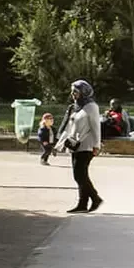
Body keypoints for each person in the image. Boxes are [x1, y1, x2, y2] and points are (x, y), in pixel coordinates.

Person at [59, 81, 105, 214]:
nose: (73, 94)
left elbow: (96, 127)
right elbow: (70, 126)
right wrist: (60, 144)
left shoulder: (91, 107)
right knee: (79, 174)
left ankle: (95, 198)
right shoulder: (76, 107)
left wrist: (96, 145)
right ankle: (82, 204)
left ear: (84, 92)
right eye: (72, 91)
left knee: (79, 175)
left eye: (76, 91)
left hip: (87, 145)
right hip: (76, 145)